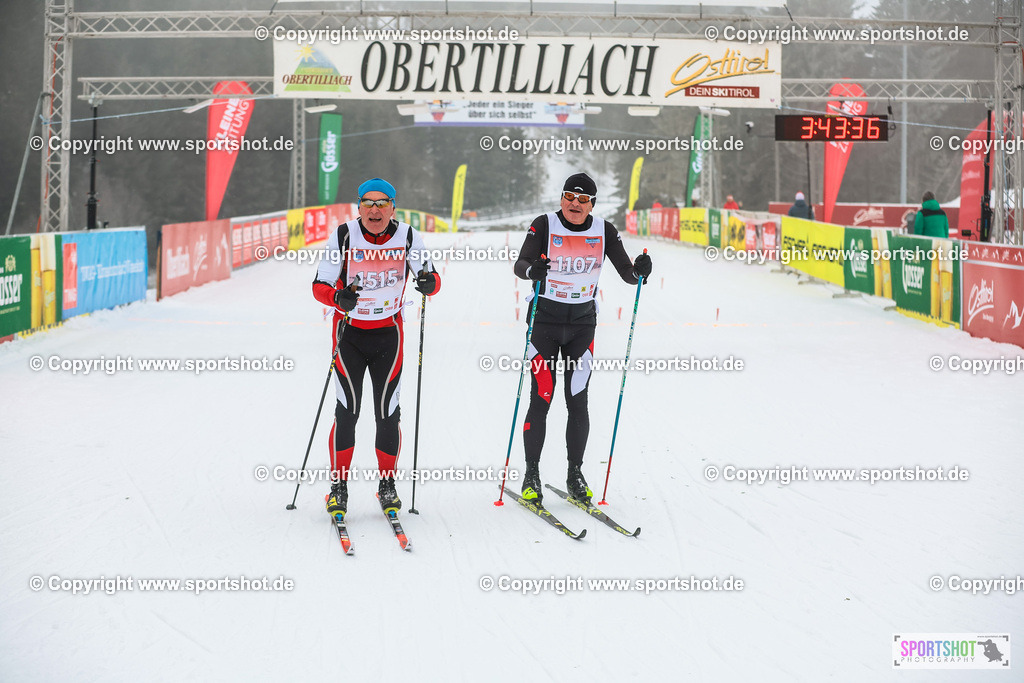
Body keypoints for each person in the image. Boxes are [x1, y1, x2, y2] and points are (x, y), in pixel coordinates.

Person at [514, 172, 652, 504]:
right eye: (569, 197)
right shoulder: (545, 224)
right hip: (543, 322)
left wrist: (641, 270)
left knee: (577, 399)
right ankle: (531, 473)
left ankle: (574, 472)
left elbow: (627, 273)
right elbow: (521, 264)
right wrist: (534, 271)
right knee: (542, 397)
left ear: (592, 204)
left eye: (583, 200)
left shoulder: (604, 230)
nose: (575, 204)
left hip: (581, 325)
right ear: (561, 199)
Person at [312, 178, 441, 517]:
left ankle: (387, 485)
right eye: (367, 204)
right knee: (347, 411)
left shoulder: (408, 237)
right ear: (358, 208)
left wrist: (429, 283)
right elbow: (319, 285)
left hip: (389, 336)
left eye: (381, 204)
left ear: (393, 208)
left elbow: (433, 279)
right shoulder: (343, 236)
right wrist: (336, 297)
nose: (374, 210)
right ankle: (338, 488)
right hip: (349, 334)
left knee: (387, 412)